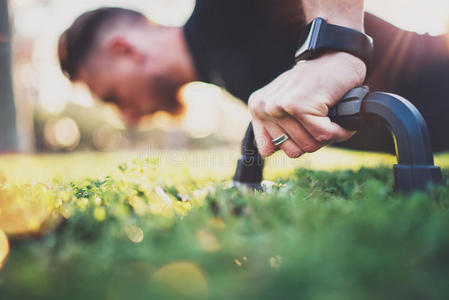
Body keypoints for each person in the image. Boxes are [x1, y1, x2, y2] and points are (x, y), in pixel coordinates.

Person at [58, 0, 449, 158]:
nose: (126, 117)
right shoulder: (225, 75)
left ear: (123, 50)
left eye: (111, 96)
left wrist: (334, 44)